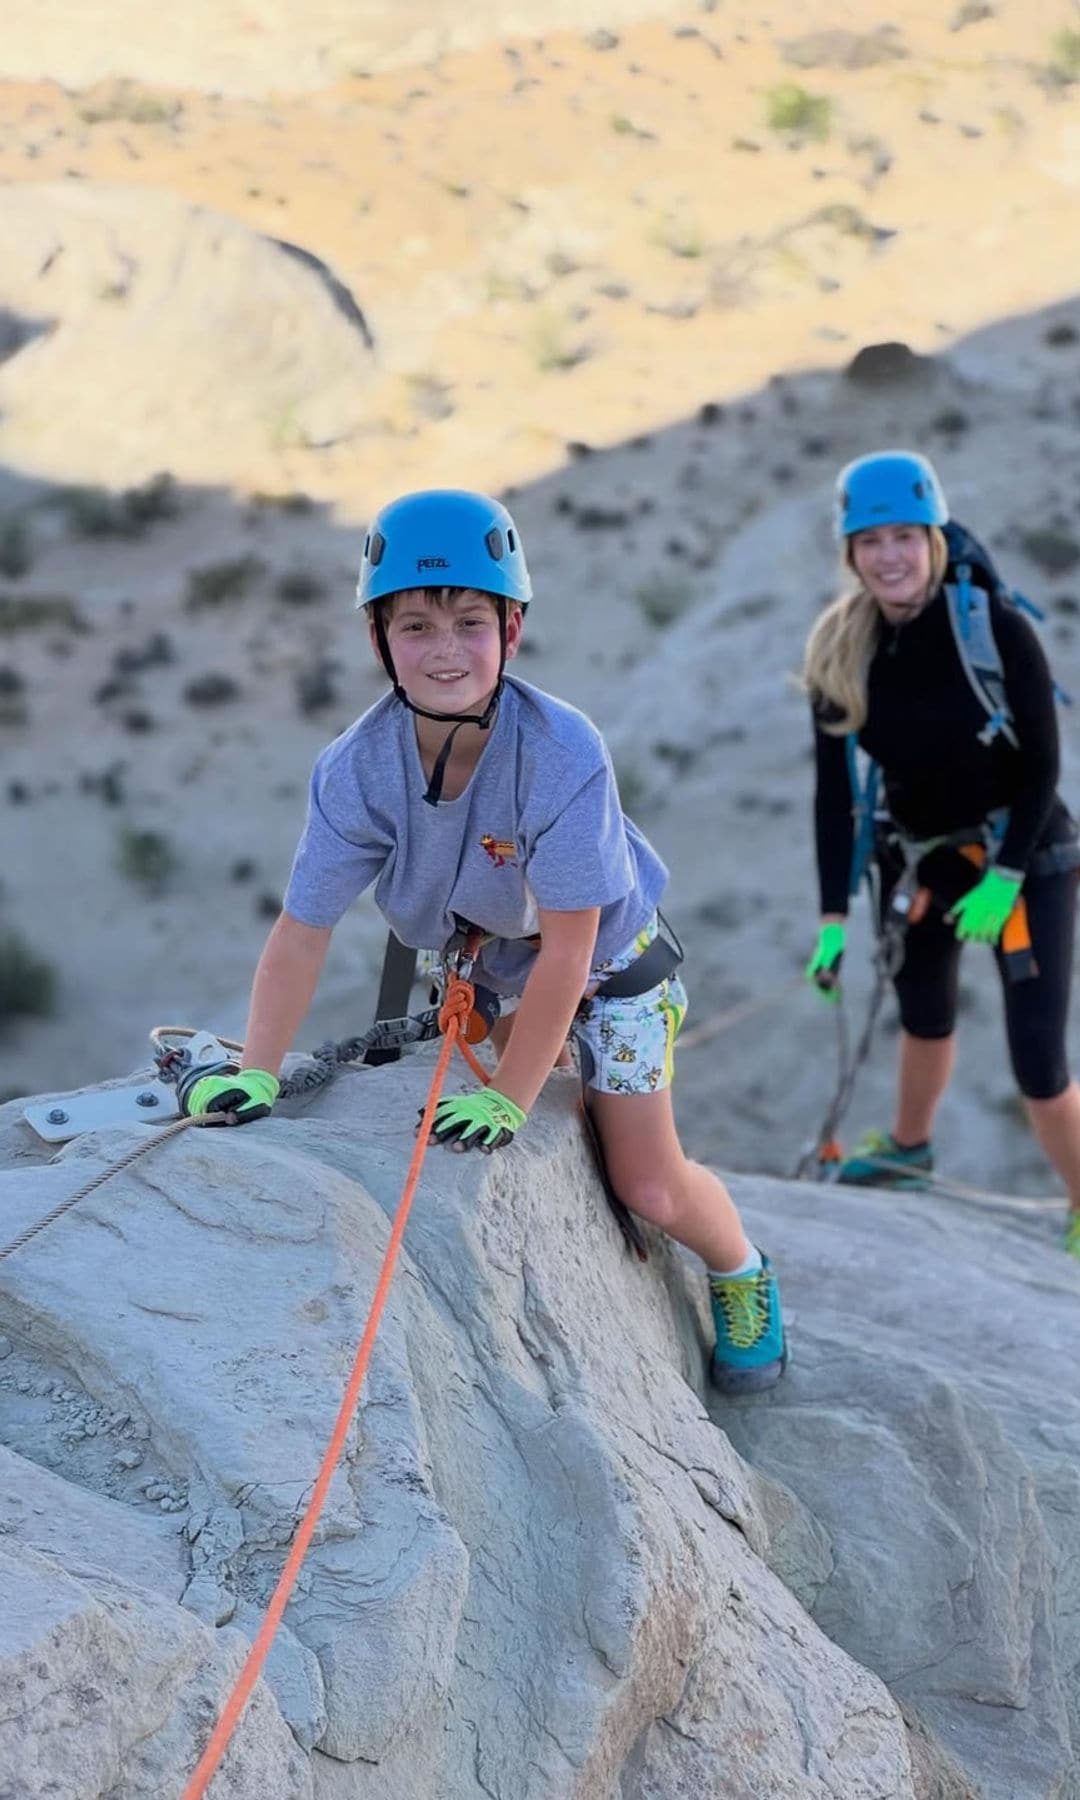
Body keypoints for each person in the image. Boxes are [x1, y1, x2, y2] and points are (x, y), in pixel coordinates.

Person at [186, 488, 787, 1392]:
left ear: (513, 629)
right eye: (417, 625)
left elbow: (574, 951)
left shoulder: (561, 751)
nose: (444, 650)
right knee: (563, 1130)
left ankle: (742, 1269)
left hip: (612, 971)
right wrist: (260, 1069)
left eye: (470, 621)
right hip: (497, 970)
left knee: (646, 1184)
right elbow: (302, 932)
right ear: (378, 637)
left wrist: (507, 1094)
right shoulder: (355, 769)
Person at [802, 450, 1080, 1260]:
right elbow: (834, 796)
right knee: (922, 1016)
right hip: (918, 858)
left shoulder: (993, 628)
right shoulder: (840, 648)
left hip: (1024, 853)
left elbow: (1042, 766)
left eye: (904, 537)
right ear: (850, 553)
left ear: (934, 538)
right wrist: (831, 918)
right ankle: (909, 1151)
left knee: (1038, 1061)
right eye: (870, 540)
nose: (889, 555)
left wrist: (1007, 874)